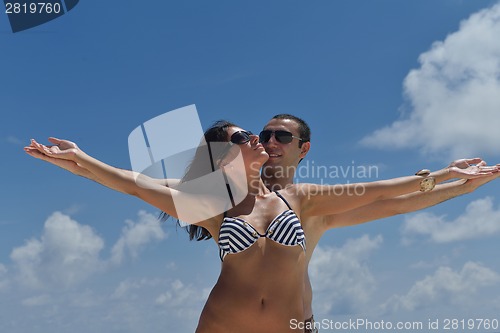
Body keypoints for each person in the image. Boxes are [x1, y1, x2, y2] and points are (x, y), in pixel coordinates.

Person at [24, 120, 498, 333]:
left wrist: (449, 175)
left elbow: (378, 192)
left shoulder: (299, 198)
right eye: (243, 138)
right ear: (223, 157)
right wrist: (80, 159)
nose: (258, 140)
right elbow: (131, 183)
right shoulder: (211, 204)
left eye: (261, 136)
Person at [259, 114, 500, 333]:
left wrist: (462, 188)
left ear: (304, 149)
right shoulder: (234, 200)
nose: (271, 143)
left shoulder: (314, 206)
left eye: (282, 137)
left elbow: (395, 203)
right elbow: (219, 168)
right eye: (264, 136)